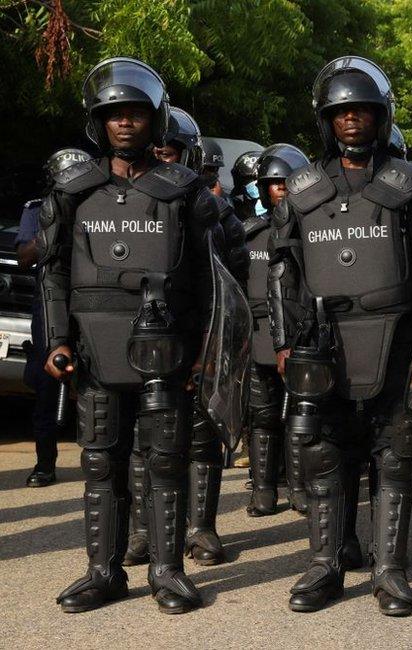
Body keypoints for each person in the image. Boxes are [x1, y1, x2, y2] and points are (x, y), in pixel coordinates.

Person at [42, 57, 221, 614]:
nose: (125, 123)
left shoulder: (184, 191)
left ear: (155, 119)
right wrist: (56, 340)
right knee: (100, 463)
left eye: (135, 114)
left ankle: (167, 572)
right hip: (94, 354)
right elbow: (52, 270)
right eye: (114, 114)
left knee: (165, 460)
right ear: (100, 122)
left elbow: (209, 279)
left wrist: (204, 352)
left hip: (166, 352)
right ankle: (103, 571)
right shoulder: (74, 190)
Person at [267, 56, 412, 616]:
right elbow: (283, 271)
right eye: (341, 112)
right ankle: (324, 565)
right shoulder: (303, 190)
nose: (352, 121)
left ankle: (390, 571)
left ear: (381, 116)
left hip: (396, 342)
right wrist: (288, 341)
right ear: (326, 120)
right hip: (324, 347)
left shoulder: (410, 187)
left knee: (394, 458)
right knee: (324, 457)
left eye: (362, 110)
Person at [123, 106, 248, 569]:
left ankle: (202, 527)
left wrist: (211, 345)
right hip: (139, 340)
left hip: (197, 339)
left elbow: (231, 279)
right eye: (158, 151)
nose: (163, 159)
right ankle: (142, 530)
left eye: (171, 152)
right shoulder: (124, 201)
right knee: (141, 437)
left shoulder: (215, 210)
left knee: (200, 434)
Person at [17, 148, 92, 487]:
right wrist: (49, 231)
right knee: (47, 381)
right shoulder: (38, 209)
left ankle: (99, 457)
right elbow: (23, 257)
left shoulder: (97, 206)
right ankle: (45, 463)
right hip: (50, 301)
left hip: (91, 300)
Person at [245, 143, 311, 518]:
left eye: (287, 181)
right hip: (257, 336)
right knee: (263, 416)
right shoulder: (249, 233)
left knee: (301, 413)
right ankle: (264, 489)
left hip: (299, 334)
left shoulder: (309, 230)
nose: (281, 188)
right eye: (273, 182)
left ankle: (299, 488)